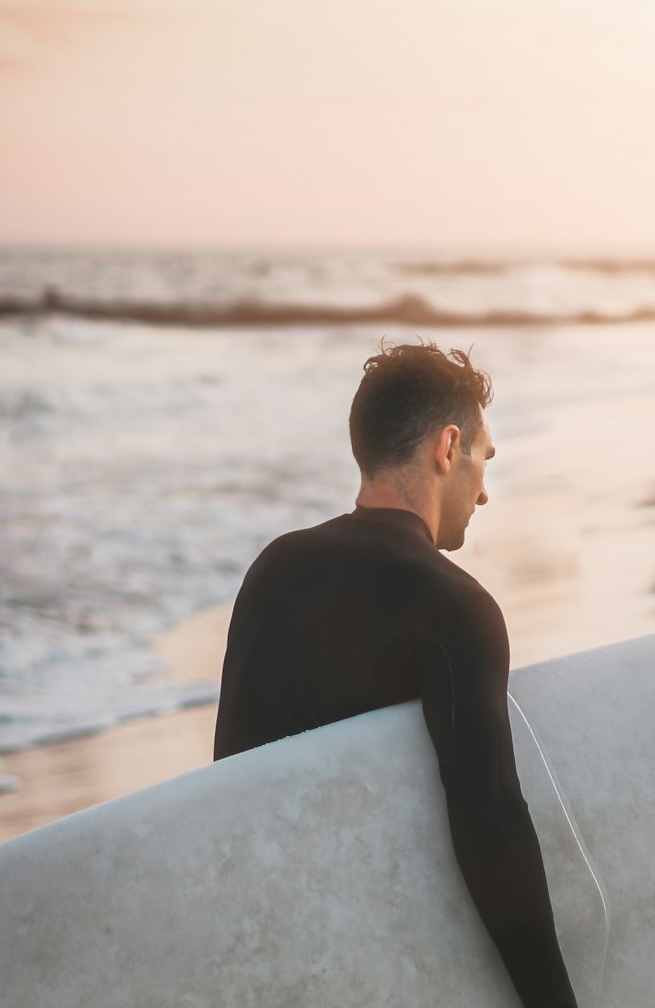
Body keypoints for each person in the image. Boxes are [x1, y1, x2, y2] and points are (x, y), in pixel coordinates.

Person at [214, 340, 577, 1008]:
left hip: (245, 948)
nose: (485, 491)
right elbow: (488, 820)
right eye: (482, 458)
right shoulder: (454, 605)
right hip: (361, 962)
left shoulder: (274, 568)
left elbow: (229, 776)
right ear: (447, 448)